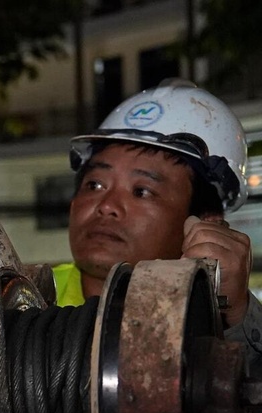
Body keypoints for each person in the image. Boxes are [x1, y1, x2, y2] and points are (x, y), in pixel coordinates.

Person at [57, 80, 261, 372]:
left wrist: (236, 315)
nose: (106, 205)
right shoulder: (18, 301)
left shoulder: (219, 323)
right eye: (95, 184)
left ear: (205, 224)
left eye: (141, 191)